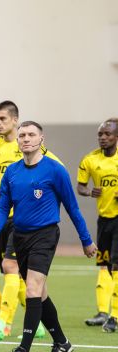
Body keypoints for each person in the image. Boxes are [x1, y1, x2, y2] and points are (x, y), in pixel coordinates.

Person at [0, 121, 97, 352]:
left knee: (33, 289)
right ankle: (62, 342)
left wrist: (86, 240)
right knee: (41, 293)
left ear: (41, 139)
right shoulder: (12, 173)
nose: (26, 138)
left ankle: (23, 349)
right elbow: (3, 207)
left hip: (45, 235)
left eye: (31, 135)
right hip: (19, 235)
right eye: (22, 135)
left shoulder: (55, 170)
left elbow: (72, 208)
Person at [0, 101, 60, 341]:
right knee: (19, 274)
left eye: (3, 119)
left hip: (22, 220)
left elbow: (56, 170)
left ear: (15, 120)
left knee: (9, 267)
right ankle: (35, 324)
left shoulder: (27, 146)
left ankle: (4, 323)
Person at [77, 118, 118, 332]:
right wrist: (90, 192)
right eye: (100, 134)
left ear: (116, 137)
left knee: (117, 266)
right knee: (104, 264)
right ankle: (103, 311)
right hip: (104, 220)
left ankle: (116, 316)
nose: (103, 137)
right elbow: (80, 187)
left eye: (108, 134)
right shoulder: (91, 160)